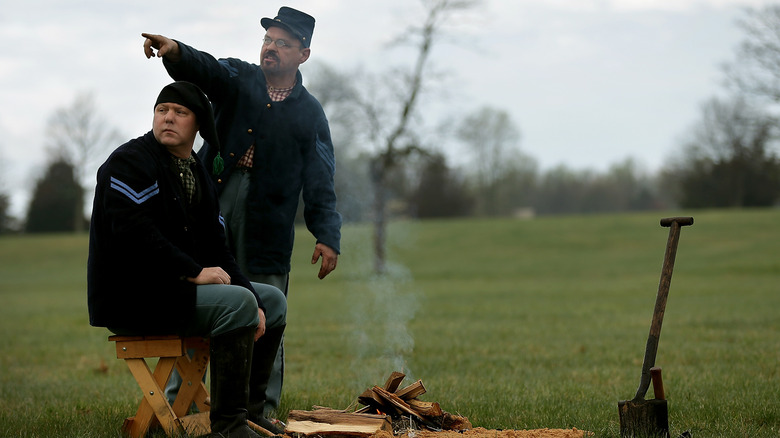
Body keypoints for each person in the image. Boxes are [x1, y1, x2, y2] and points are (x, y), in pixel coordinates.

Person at [141, 6, 342, 420]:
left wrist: (326, 235)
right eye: (269, 39)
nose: (271, 48)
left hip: (269, 222)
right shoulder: (239, 77)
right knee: (198, 298)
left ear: (303, 54)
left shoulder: (310, 113)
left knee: (266, 309)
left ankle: (258, 412)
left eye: (283, 43)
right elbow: (207, 70)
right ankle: (179, 409)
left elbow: (320, 176)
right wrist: (175, 50)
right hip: (211, 203)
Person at [87, 81, 287, 438]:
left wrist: (255, 302)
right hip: (134, 297)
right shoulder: (130, 162)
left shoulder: (197, 170)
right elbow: (134, 233)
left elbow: (218, 247)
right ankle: (228, 426)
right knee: (238, 302)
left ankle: (252, 414)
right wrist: (193, 272)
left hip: (172, 292)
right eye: (162, 110)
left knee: (271, 300)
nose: (168, 118)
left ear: (198, 126)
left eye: (180, 113)